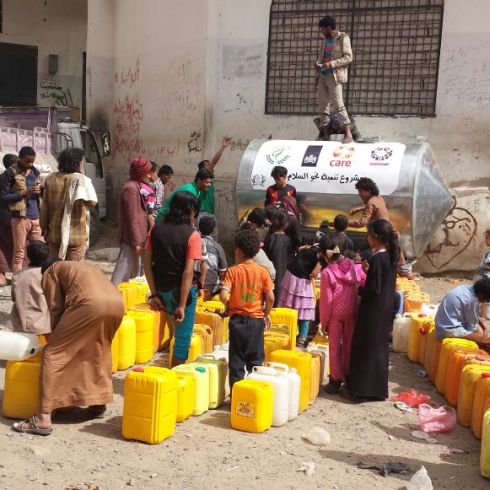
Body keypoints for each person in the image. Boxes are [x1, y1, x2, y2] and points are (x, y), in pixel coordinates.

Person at [12, 257, 125, 436]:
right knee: (96, 350)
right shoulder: (85, 266)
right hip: (118, 304)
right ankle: (97, 404)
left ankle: (43, 418)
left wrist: (54, 337)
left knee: (53, 353)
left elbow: (55, 308)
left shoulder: (50, 271)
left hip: (90, 305)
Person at [144, 191, 202, 367]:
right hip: (181, 293)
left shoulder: (155, 229)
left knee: (175, 331)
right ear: (191, 210)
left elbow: (147, 265)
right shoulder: (192, 235)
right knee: (183, 339)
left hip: (161, 290)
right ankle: (175, 379)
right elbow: (187, 273)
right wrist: (183, 305)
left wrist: (154, 295)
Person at [348, 219, 399, 401]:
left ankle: (361, 390)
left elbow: (373, 289)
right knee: (378, 348)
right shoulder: (391, 256)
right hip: (384, 309)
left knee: (366, 347)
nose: (367, 238)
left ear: (376, 237)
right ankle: (376, 390)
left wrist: (359, 290)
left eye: (369, 234)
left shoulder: (378, 257)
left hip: (373, 310)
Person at [220, 229, 274, 390]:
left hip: (237, 321)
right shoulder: (262, 271)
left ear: (238, 250)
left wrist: (228, 306)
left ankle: (236, 397)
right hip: (256, 321)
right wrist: (267, 313)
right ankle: (253, 395)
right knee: (256, 360)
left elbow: (223, 295)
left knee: (236, 359)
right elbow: (270, 297)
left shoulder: (232, 271)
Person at [319, 235, 366, 394]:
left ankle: (335, 380)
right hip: (351, 311)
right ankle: (349, 376)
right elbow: (360, 280)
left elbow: (326, 301)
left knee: (334, 348)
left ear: (325, 255)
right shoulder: (351, 266)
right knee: (348, 345)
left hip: (335, 315)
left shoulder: (326, 273)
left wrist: (323, 322)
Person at [40, 148, 97, 261]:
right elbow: (92, 202)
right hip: (76, 235)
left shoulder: (50, 178)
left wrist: (44, 228)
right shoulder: (80, 179)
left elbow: (44, 207)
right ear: (77, 163)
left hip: (55, 234)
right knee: (73, 271)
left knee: (56, 269)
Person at [0, 146, 42, 272]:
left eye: (32, 162)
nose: (30, 164)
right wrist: (25, 193)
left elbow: (39, 194)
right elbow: (3, 198)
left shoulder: (35, 173)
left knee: (40, 249)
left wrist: (40, 191)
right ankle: (17, 283)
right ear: (20, 158)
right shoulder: (9, 174)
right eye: (27, 161)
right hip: (19, 218)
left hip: (35, 217)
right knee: (19, 251)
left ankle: (39, 279)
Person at [111, 157, 152, 285]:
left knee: (135, 274)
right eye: (148, 172)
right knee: (122, 272)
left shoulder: (136, 186)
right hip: (131, 240)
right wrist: (136, 243)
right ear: (141, 173)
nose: (150, 175)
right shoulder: (131, 189)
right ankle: (112, 295)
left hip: (137, 239)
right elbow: (132, 217)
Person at [314, 16, 352, 141]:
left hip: (334, 76)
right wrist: (318, 63)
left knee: (338, 105)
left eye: (322, 29)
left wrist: (331, 64)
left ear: (329, 28)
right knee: (323, 105)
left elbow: (348, 58)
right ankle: (325, 133)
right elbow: (322, 56)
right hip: (323, 75)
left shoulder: (343, 38)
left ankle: (348, 134)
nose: (321, 32)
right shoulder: (325, 40)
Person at [277, 243, 320, 347]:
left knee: (288, 309)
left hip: (290, 277)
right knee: (305, 311)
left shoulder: (311, 248)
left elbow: (297, 252)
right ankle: (300, 341)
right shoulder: (322, 256)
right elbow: (314, 274)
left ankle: (286, 337)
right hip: (302, 282)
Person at [8, 241, 51, 335]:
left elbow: (13, 298)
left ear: (27, 256)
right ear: (47, 256)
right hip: (42, 328)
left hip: (18, 328)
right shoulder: (48, 276)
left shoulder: (17, 275)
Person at [435, 278, 490, 343]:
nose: (486, 302)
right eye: (487, 300)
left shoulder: (465, 288)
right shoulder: (472, 300)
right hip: (448, 331)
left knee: (480, 327)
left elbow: (471, 315)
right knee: (482, 337)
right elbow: (472, 326)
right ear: (482, 295)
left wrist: (482, 325)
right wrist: (481, 337)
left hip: (440, 325)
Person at [196, 136, 232, 235]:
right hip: (204, 214)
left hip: (209, 214)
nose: (211, 166)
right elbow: (214, 162)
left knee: (212, 239)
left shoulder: (208, 180)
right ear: (203, 170)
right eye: (208, 165)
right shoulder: (203, 179)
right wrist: (223, 147)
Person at [264, 210, 292, 305]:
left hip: (270, 273)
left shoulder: (269, 239)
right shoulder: (288, 239)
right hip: (284, 272)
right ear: (286, 224)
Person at [198, 216, 227, 300]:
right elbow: (223, 273)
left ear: (199, 227)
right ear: (213, 230)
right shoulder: (218, 247)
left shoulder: (193, 243)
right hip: (212, 289)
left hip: (194, 286)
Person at [0, 154, 18, 285]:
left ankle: (4, 274)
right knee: (18, 246)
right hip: (13, 218)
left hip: (4, 218)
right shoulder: (16, 179)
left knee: (4, 246)